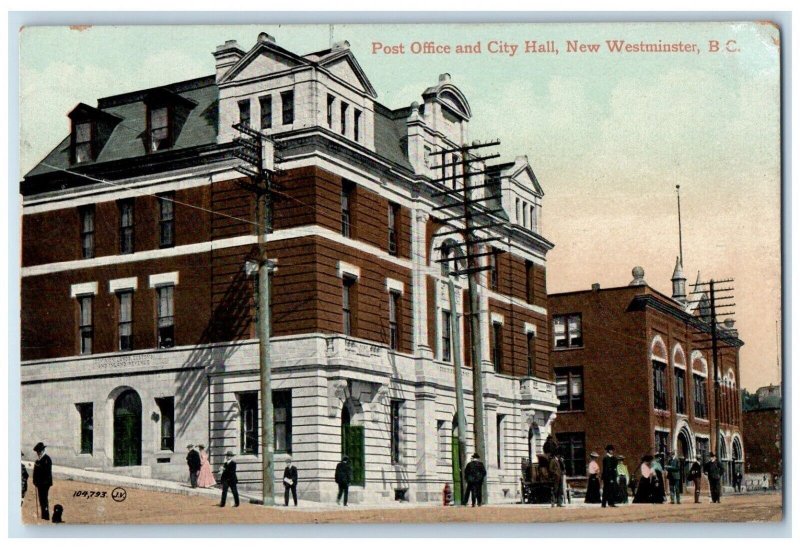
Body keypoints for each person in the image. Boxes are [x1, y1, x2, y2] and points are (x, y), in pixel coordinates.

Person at [32, 442, 52, 520]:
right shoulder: (38, 460)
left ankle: (46, 516)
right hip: (39, 484)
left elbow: (46, 473)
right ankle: (43, 515)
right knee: (41, 499)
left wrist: (39, 481)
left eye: (39, 451)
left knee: (44, 499)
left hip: (45, 484)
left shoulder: (47, 459)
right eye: (37, 452)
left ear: (43, 450)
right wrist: (34, 481)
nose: (38, 453)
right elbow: (35, 472)